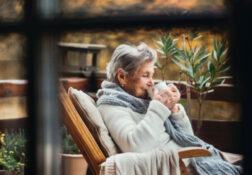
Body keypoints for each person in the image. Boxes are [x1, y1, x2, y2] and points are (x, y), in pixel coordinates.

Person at [96, 42, 242, 175]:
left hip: (192, 158)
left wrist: (173, 110)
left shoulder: (141, 101)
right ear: (122, 77)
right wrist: (159, 107)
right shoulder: (112, 105)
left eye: (152, 75)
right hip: (180, 164)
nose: (151, 82)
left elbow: (188, 137)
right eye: (145, 75)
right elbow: (135, 145)